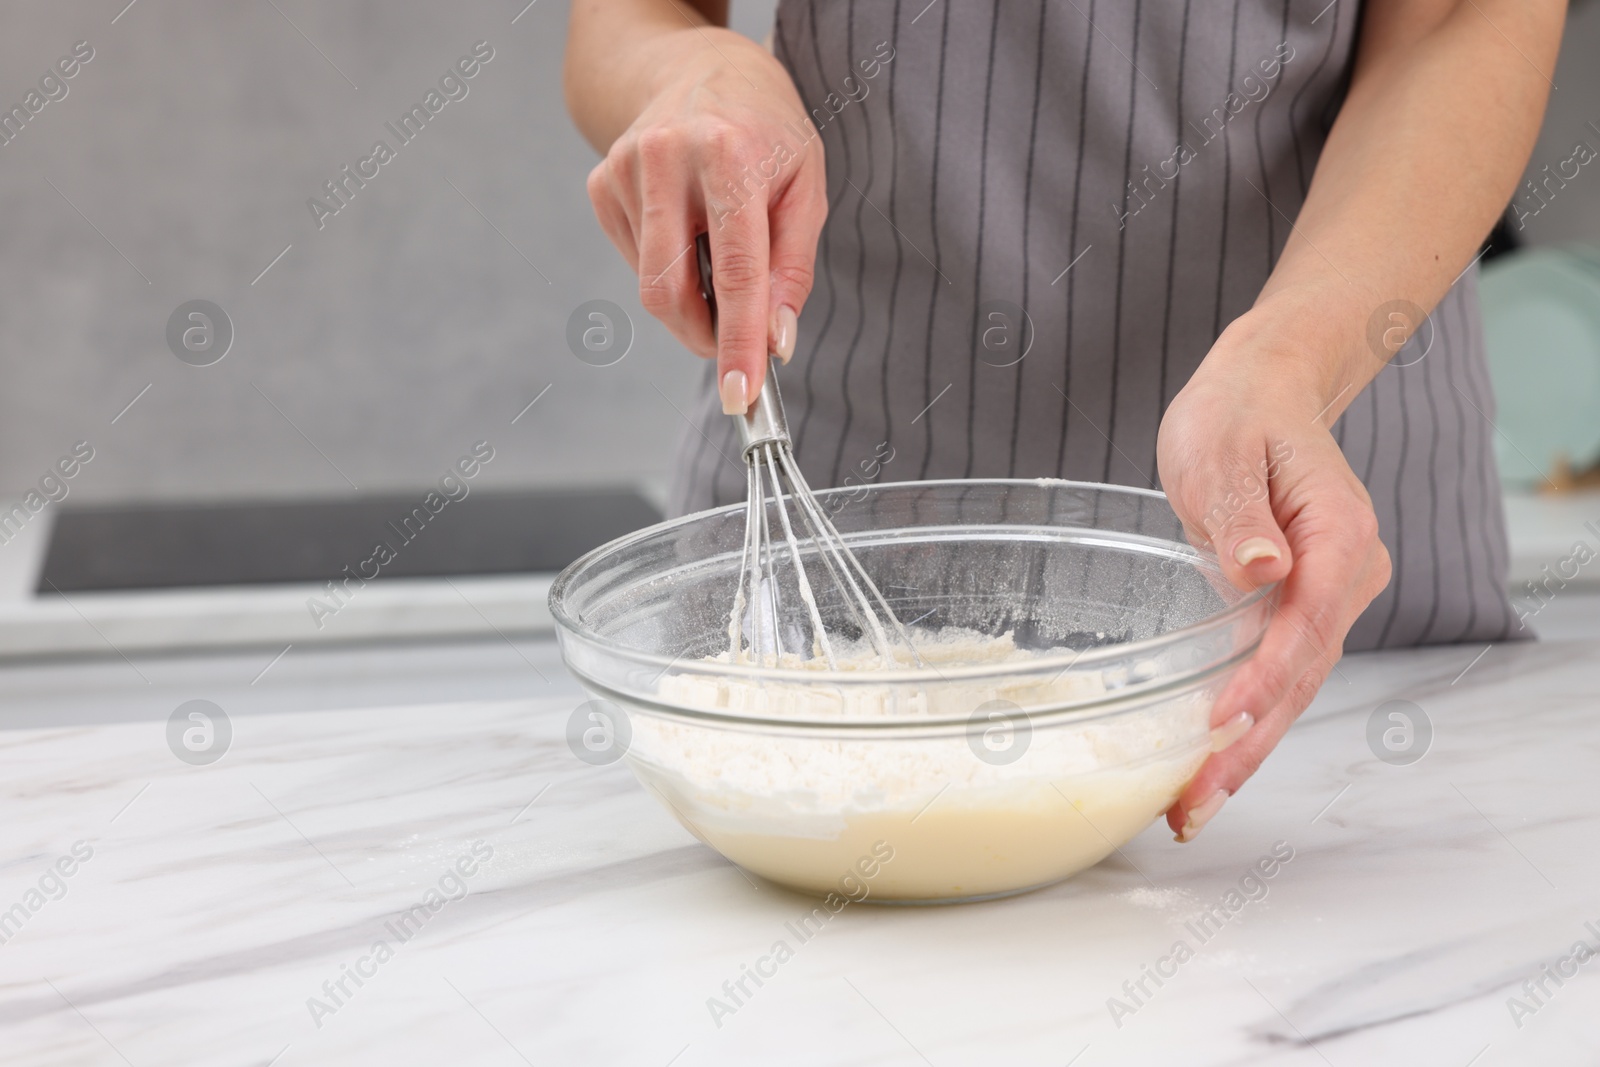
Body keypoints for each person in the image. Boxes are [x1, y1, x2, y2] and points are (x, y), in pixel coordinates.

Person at [565, 0, 1564, 841]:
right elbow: (630, 16)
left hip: (1321, 538)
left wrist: (1293, 360)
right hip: (832, 552)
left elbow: (1457, 24)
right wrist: (686, 69)